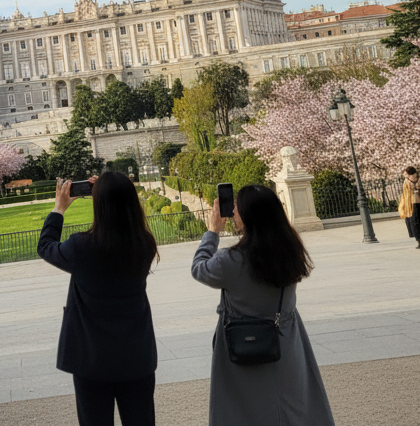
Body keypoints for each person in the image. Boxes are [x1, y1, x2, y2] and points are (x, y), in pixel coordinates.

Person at [192, 185, 333, 426]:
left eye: (237, 206)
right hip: (285, 338)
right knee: (289, 404)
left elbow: (199, 268)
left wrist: (212, 232)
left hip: (242, 342)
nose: (233, 210)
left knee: (243, 409)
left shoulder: (231, 260)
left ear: (248, 216)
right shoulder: (291, 250)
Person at [37, 172, 158, 426]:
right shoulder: (145, 244)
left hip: (90, 358)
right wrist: (110, 188)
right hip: (136, 356)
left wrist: (59, 208)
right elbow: (121, 226)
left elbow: (46, 246)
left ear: (97, 204)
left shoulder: (81, 247)